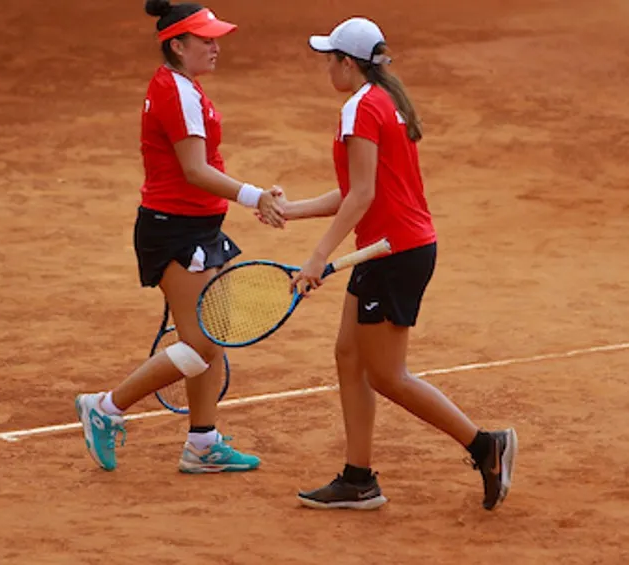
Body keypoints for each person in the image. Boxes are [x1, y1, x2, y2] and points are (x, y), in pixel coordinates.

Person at [273, 17, 518, 510]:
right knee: (349, 355)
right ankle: (358, 477)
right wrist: (291, 209)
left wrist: (318, 257)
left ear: (349, 63)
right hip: (391, 249)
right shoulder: (384, 102)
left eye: (331, 59)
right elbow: (357, 191)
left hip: (394, 253)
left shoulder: (359, 110)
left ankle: (485, 446)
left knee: (387, 375)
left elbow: (361, 194)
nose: (326, 67)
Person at [74, 0, 286, 475]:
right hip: (176, 229)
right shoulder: (178, 93)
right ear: (177, 44)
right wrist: (254, 197)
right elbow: (195, 171)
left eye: (215, 38)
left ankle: (202, 443)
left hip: (196, 225)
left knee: (213, 337)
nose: (215, 47)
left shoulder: (181, 86)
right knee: (199, 344)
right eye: (205, 39)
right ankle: (105, 407)